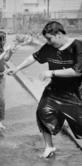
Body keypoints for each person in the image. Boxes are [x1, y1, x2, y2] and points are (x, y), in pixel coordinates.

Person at [7, 21, 82, 158]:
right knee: (42, 113)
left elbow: (78, 71)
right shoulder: (50, 46)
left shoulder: (78, 46)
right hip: (54, 90)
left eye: (49, 38)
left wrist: (52, 73)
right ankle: (49, 147)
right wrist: (17, 69)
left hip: (75, 93)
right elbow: (34, 57)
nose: (47, 41)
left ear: (58, 34)